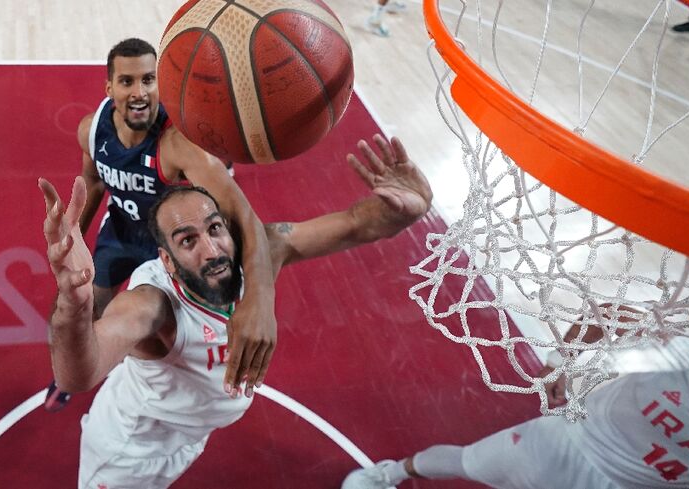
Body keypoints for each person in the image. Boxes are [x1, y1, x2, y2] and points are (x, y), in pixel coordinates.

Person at [39, 134, 433, 488]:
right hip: (129, 453)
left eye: (214, 229)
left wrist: (403, 210)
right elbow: (79, 375)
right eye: (187, 240)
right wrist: (73, 308)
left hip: (186, 437)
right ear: (168, 260)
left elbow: (353, 225)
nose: (211, 250)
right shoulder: (153, 305)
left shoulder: (257, 254)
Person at [44, 38, 276, 411]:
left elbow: (245, 217)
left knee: (165, 330)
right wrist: (74, 237)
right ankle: (73, 372)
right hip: (120, 229)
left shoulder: (181, 145)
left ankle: (158, 388)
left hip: (167, 247)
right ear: (109, 87)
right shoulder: (91, 129)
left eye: (149, 80)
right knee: (92, 302)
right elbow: (95, 180)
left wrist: (261, 301)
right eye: (127, 81)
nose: (139, 92)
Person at [343, 316, 689, 488]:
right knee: (467, 462)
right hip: (561, 446)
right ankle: (391, 473)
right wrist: (559, 364)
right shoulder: (686, 355)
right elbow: (611, 314)